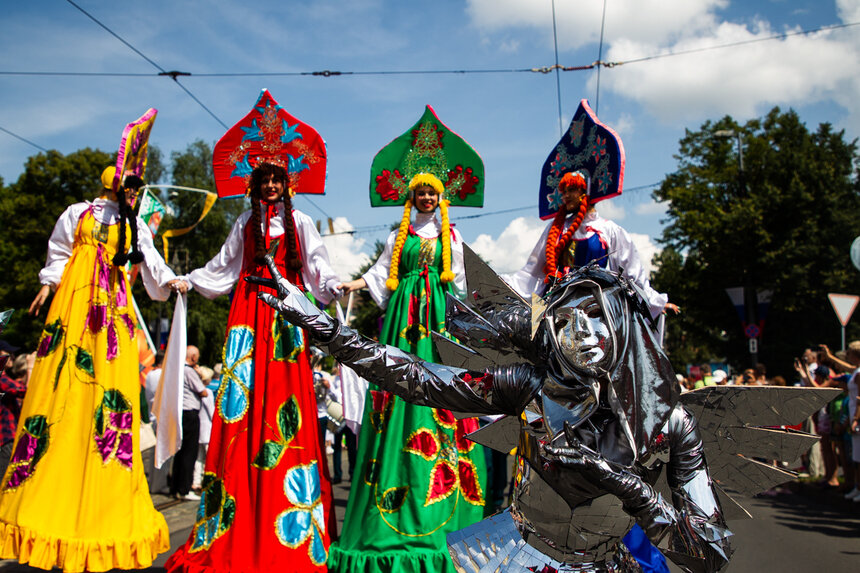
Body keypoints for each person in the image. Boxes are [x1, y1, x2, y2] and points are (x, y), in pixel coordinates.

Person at [259, 259, 745, 572]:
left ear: (620, 319)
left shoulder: (672, 425)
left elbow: (708, 554)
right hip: (515, 557)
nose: (582, 331)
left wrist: (628, 486)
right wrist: (321, 324)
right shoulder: (528, 385)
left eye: (595, 312)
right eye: (565, 320)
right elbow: (415, 376)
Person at [166, 89, 341, 573]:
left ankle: (288, 520)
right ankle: (236, 516)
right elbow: (222, 268)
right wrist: (188, 280)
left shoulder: (301, 220)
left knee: (283, 404)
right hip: (247, 315)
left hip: (283, 315)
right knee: (241, 405)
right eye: (262, 178)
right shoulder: (244, 220)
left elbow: (317, 268)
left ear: (288, 183)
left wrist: (332, 286)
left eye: (276, 178)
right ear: (253, 182)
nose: (269, 185)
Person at [0, 161, 182, 571]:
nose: (134, 191)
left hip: (113, 318)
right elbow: (59, 251)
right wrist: (48, 285)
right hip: (74, 308)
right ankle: (45, 494)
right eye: (130, 184)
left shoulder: (135, 225)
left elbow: (152, 265)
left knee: (108, 401)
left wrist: (172, 283)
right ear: (113, 182)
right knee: (60, 392)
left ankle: (102, 504)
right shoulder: (77, 213)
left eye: (137, 186)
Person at [332, 107, 487, 573]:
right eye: (418, 190)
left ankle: (443, 506)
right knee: (396, 393)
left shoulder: (451, 237)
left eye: (430, 191)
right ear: (411, 195)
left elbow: (462, 282)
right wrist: (357, 286)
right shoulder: (396, 238)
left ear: (440, 197)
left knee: (440, 392)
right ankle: (394, 496)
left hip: (437, 320)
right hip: (403, 322)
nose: (424, 197)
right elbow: (381, 275)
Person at [171, 346, 208, 501]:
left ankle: (176, 485)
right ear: (192, 357)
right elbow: (203, 391)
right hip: (190, 413)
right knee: (189, 451)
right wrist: (200, 376)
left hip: (182, 413)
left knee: (180, 451)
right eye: (197, 356)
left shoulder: (178, 370)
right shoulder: (189, 371)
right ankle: (185, 488)